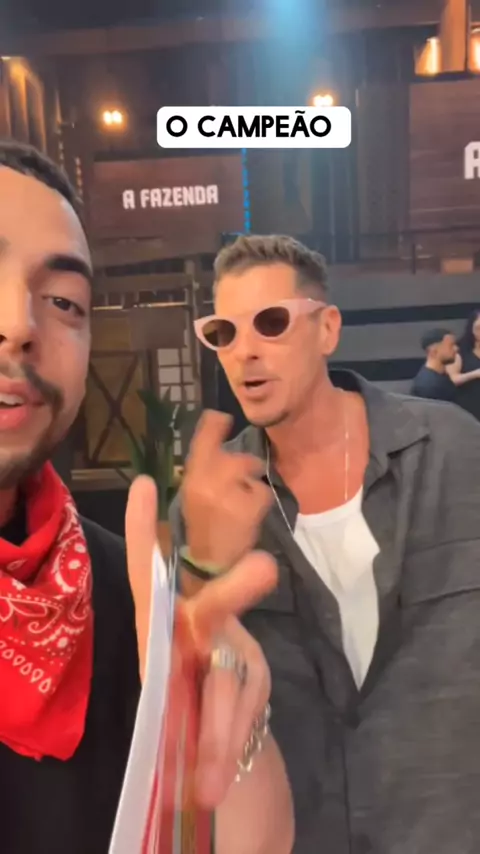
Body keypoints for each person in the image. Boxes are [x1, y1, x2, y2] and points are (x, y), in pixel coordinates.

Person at [0, 143, 293, 854]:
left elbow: (235, 837)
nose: (18, 323)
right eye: (225, 333)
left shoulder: (129, 597)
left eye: (63, 302)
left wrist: (221, 738)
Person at [171, 233, 480, 854]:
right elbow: (198, 702)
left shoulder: (454, 450)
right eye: (223, 333)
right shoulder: (209, 502)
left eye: (271, 322)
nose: (245, 351)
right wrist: (202, 566)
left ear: (328, 329)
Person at [449, 309, 480, 420]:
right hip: (470, 406)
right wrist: (475, 374)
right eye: (478, 328)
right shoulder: (460, 350)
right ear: (471, 328)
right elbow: (454, 378)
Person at [411, 328, 457, 400]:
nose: (456, 348)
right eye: (451, 346)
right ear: (434, 351)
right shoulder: (427, 385)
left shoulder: (441, 376)